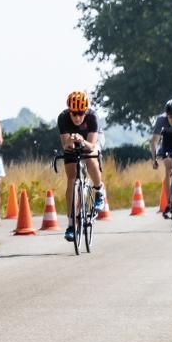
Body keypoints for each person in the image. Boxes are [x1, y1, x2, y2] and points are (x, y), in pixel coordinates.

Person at [56, 90, 106, 242]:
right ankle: (71, 224)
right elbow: (65, 145)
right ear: (69, 112)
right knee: (72, 179)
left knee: (90, 159)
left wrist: (82, 141)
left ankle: (99, 190)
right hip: (73, 145)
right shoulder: (63, 118)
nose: (77, 117)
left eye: (80, 113)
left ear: (85, 111)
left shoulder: (92, 117)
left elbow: (91, 145)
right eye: (74, 113)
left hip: (91, 142)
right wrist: (71, 142)